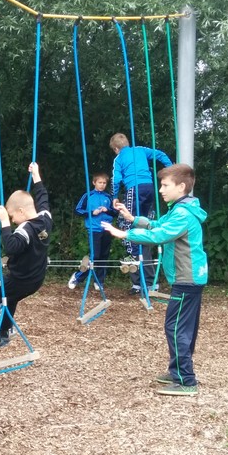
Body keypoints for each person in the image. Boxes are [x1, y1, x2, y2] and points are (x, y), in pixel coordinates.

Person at [102, 163, 207, 396]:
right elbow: (159, 225)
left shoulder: (182, 213)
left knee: (176, 327)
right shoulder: (180, 209)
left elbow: (160, 235)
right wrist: (132, 218)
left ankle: (186, 380)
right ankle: (178, 371)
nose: (160, 190)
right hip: (190, 278)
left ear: (181, 187)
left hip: (187, 279)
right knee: (183, 326)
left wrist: (125, 233)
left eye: (165, 185)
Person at [0, 162, 51, 348]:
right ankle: (4, 330)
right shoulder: (45, 219)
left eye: (13, 217)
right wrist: (36, 175)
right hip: (36, 279)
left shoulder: (25, 229)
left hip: (21, 279)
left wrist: (4, 222)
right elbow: (42, 196)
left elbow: (11, 247)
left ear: (21, 211)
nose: (13, 220)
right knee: (10, 298)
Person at [109, 132, 173, 293]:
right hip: (149, 188)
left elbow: (116, 179)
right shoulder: (140, 150)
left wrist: (114, 196)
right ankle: (142, 282)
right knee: (143, 226)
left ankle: (137, 264)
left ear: (116, 149)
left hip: (134, 188)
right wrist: (170, 168)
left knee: (128, 226)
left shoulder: (119, 158)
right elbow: (160, 154)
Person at [68, 172, 115, 291]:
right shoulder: (88, 196)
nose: (102, 185)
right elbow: (78, 210)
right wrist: (91, 212)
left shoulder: (108, 197)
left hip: (107, 229)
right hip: (94, 229)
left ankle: (99, 281)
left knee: (104, 256)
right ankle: (77, 277)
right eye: (100, 182)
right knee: (95, 255)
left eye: (104, 183)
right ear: (94, 183)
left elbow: (115, 212)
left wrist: (107, 210)